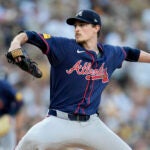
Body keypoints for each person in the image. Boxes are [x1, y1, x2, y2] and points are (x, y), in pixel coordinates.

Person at [7, 9, 150, 150]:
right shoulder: (63, 46)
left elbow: (132, 53)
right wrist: (15, 43)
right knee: (26, 144)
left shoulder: (111, 53)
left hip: (91, 125)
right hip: (59, 122)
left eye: (82, 25)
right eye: (76, 26)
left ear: (96, 28)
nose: (77, 29)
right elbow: (31, 35)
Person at [0, 73, 23, 150]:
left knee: (8, 147)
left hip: (5, 120)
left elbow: (19, 99)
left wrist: (11, 114)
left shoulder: (3, 85)